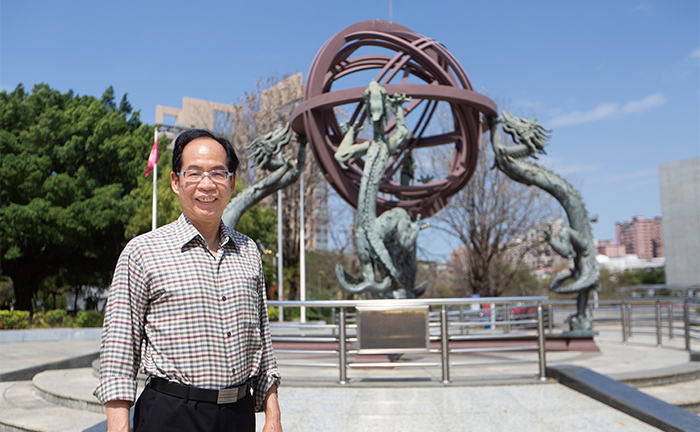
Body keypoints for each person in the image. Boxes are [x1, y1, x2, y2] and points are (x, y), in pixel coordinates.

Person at [94, 129, 282, 432]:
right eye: (193, 173)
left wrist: (273, 415)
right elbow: (119, 350)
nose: (207, 184)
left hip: (238, 414)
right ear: (175, 181)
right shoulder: (143, 252)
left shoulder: (249, 252)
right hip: (172, 414)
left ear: (232, 182)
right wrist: (118, 427)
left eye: (218, 173)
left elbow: (262, 340)